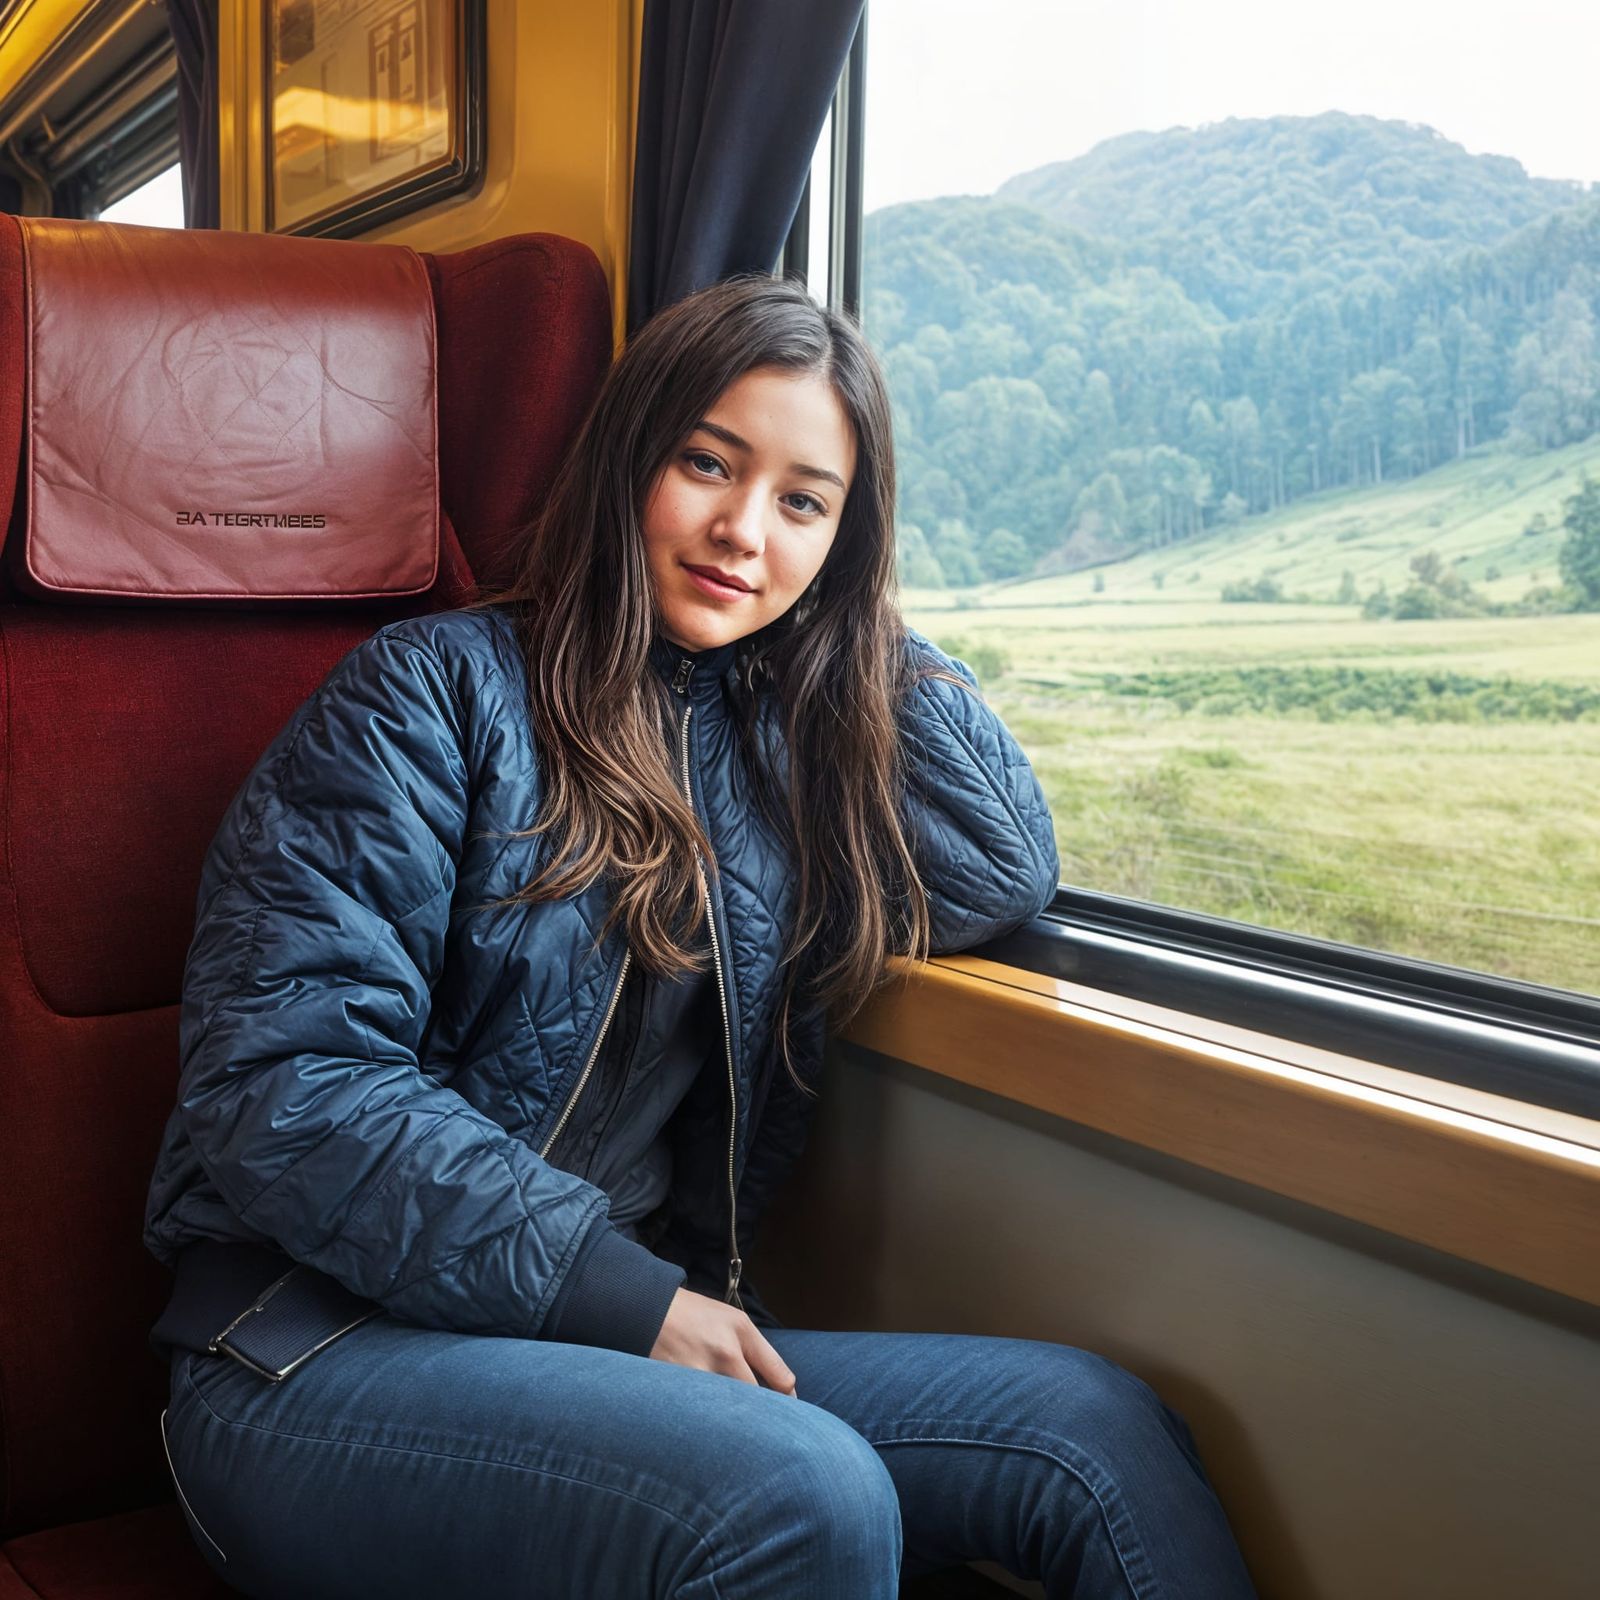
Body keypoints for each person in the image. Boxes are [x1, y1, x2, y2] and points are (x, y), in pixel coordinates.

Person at [144, 274, 1258, 1599]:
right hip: (309, 1352)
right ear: (633, 459)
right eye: (707, 465)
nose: (741, 530)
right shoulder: (423, 696)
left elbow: (1000, 866)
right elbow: (283, 1088)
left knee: (1091, 1433)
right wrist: (619, 1295)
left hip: (586, 1349)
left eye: (805, 501)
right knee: (803, 1490)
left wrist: (844, 626)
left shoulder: (771, 751)